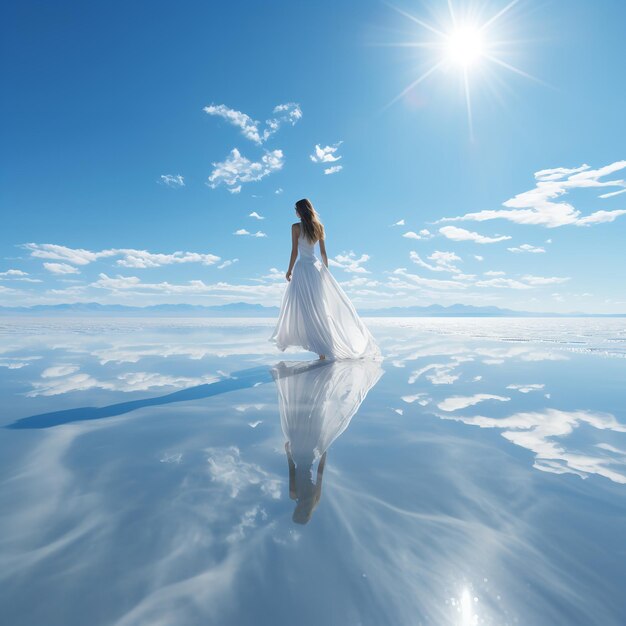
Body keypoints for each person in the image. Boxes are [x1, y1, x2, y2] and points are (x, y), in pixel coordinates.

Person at [269, 198, 381, 360]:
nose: (295, 212)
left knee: (305, 308)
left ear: (301, 210)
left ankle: (321, 347)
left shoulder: (295, 227)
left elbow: (294, 251)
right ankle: (323, 347)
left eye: (296, 209)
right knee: (319, 307)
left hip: (302, 270)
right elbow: (323, 253)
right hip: (315, 269)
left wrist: (289, 270)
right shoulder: (319, 227)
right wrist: (325, 272)